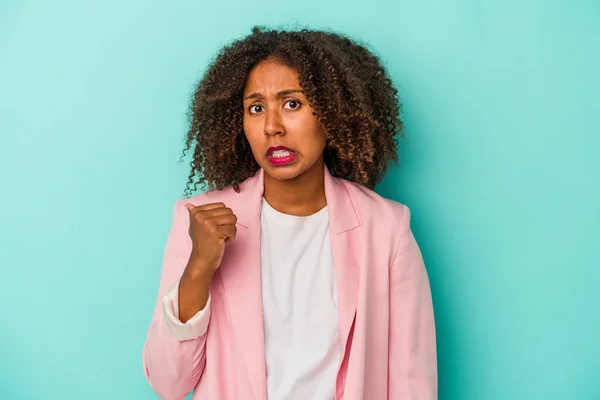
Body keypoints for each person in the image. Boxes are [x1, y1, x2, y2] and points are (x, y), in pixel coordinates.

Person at [142, 26, 437, 400]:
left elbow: (413, 385)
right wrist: (199, 268)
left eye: (292, 103)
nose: (272, 127)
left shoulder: (387, 229)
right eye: (256, 108)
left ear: (332, 114)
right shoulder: (198, 220)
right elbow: (169, 384)